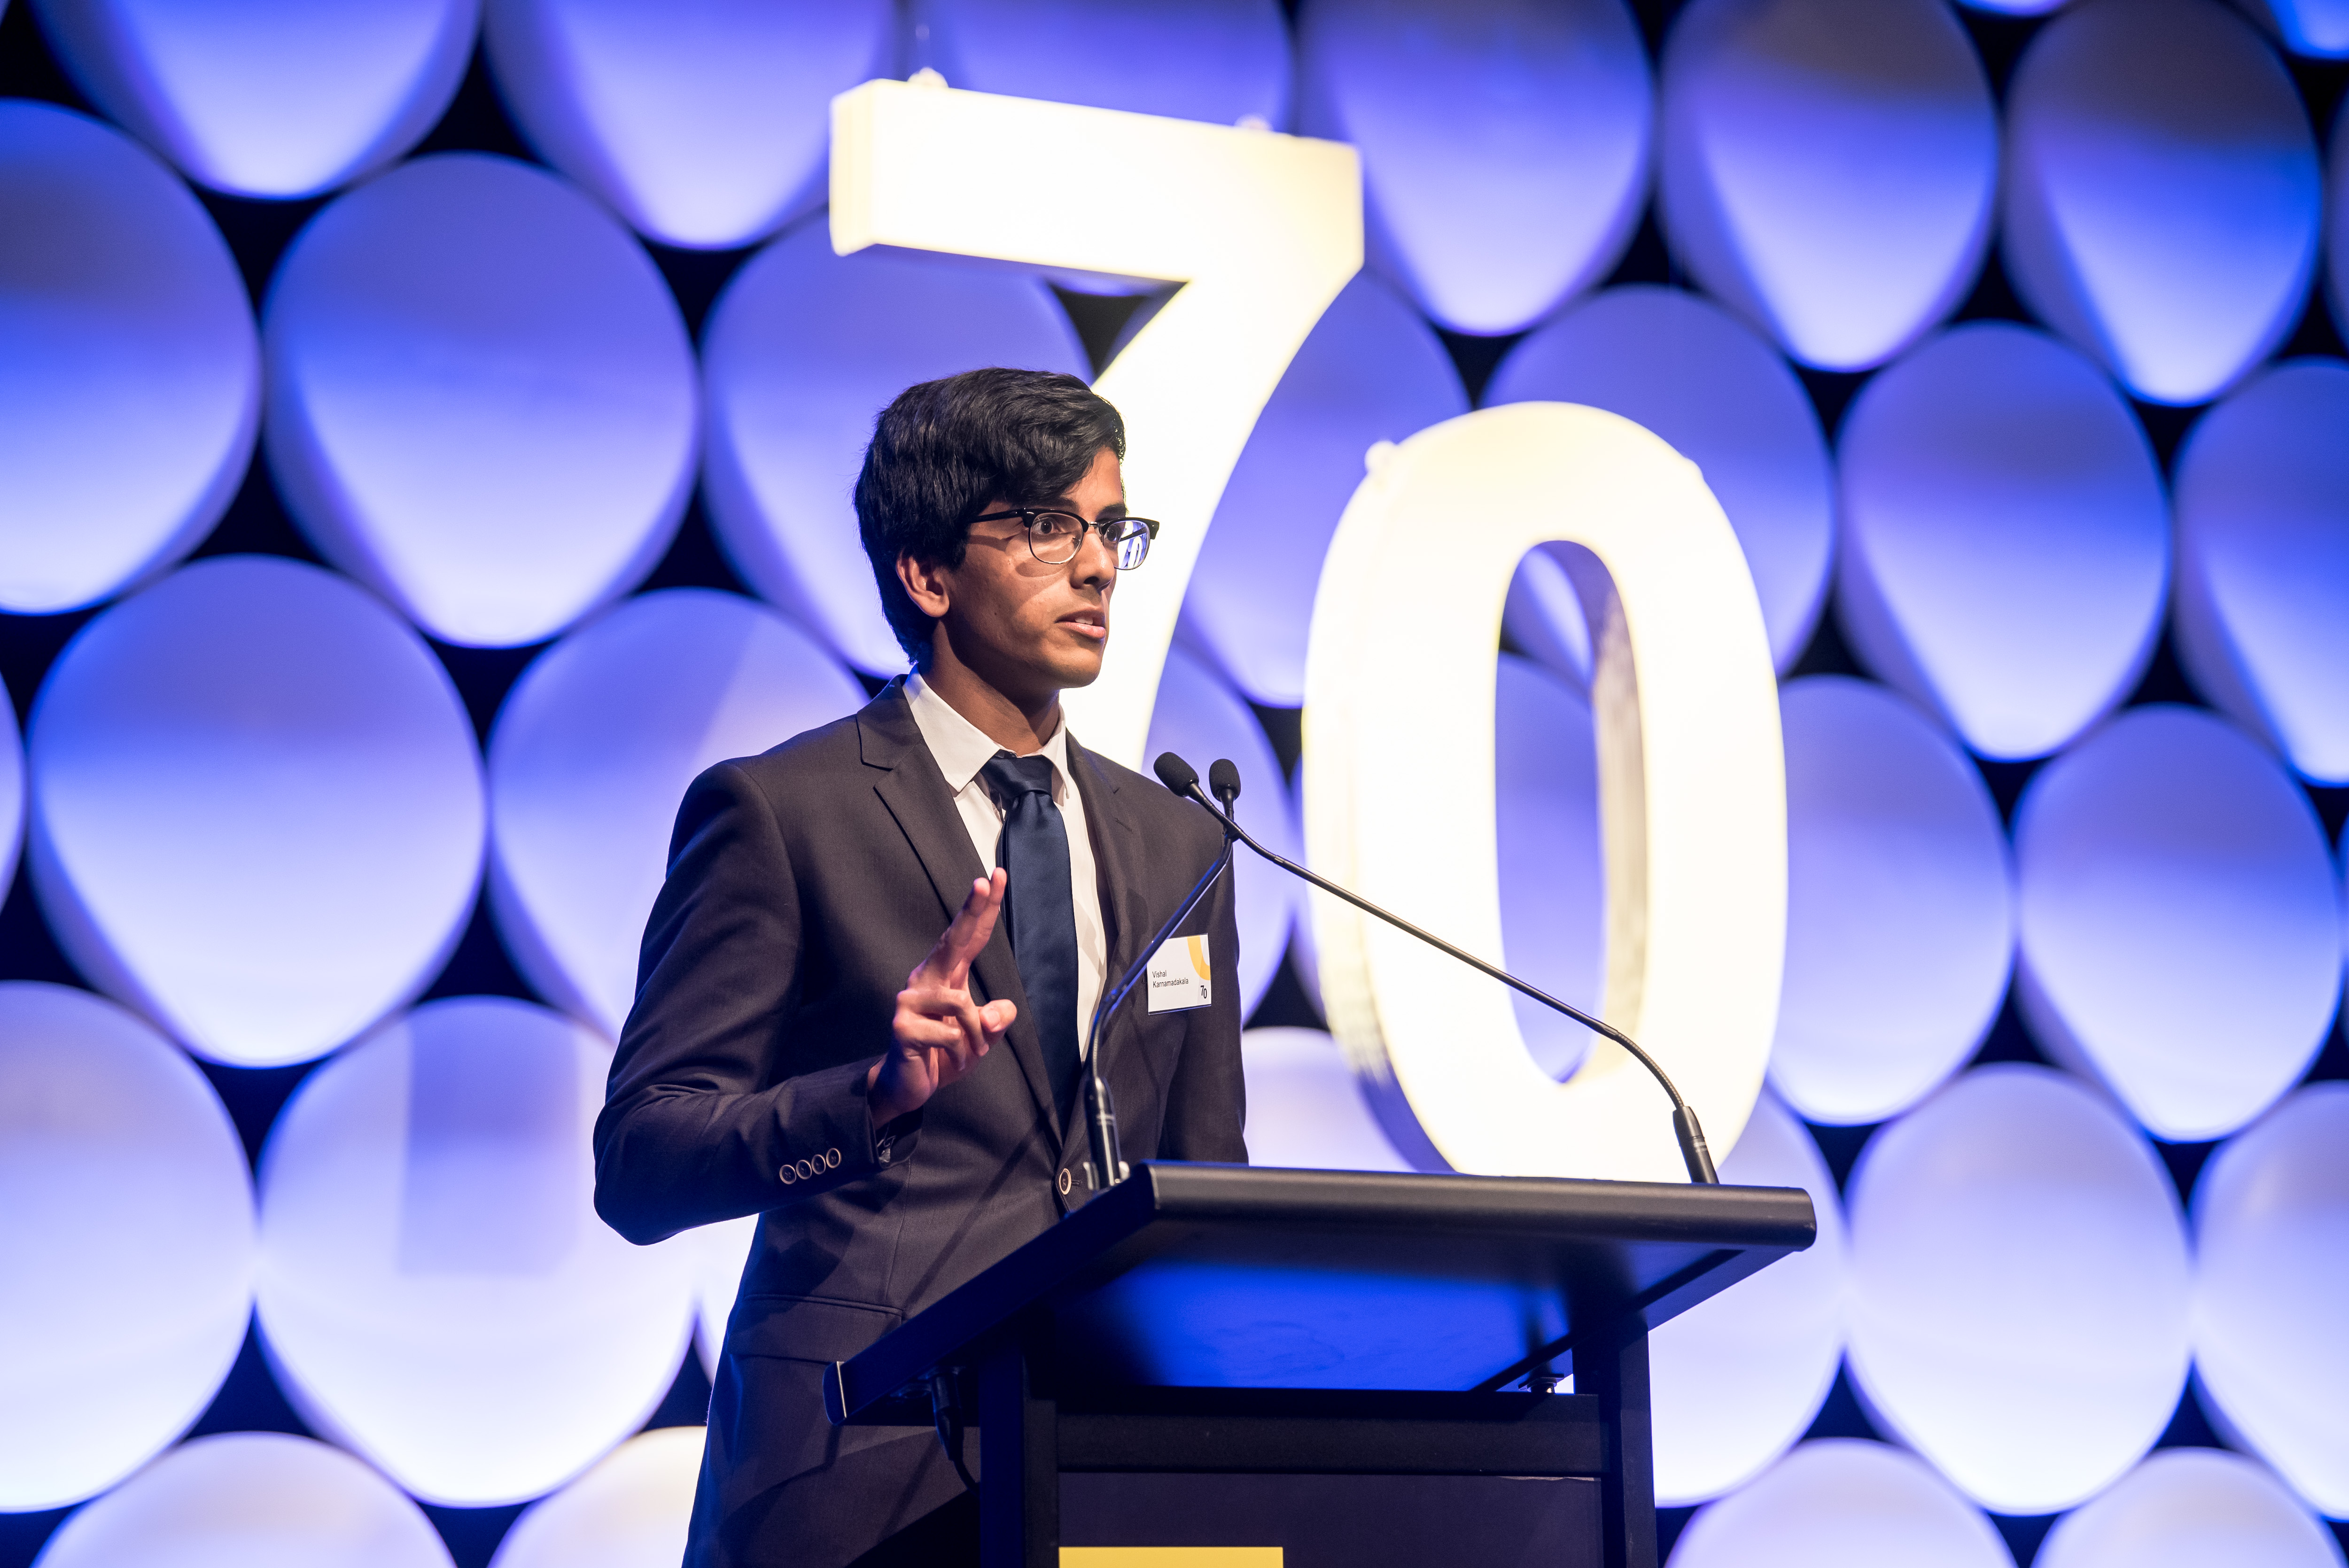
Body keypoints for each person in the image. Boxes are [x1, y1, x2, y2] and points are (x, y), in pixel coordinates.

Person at [592, 367, 1248, 1568]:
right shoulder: (782, 813)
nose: (1098, 566)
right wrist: (872, 1099)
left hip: (1114, 1470)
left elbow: (1208, 1177)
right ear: (928, 572)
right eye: (1049, 526)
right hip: (860, 1473)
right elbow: (640, 1159)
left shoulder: (1182, 839)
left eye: (1111, 529)